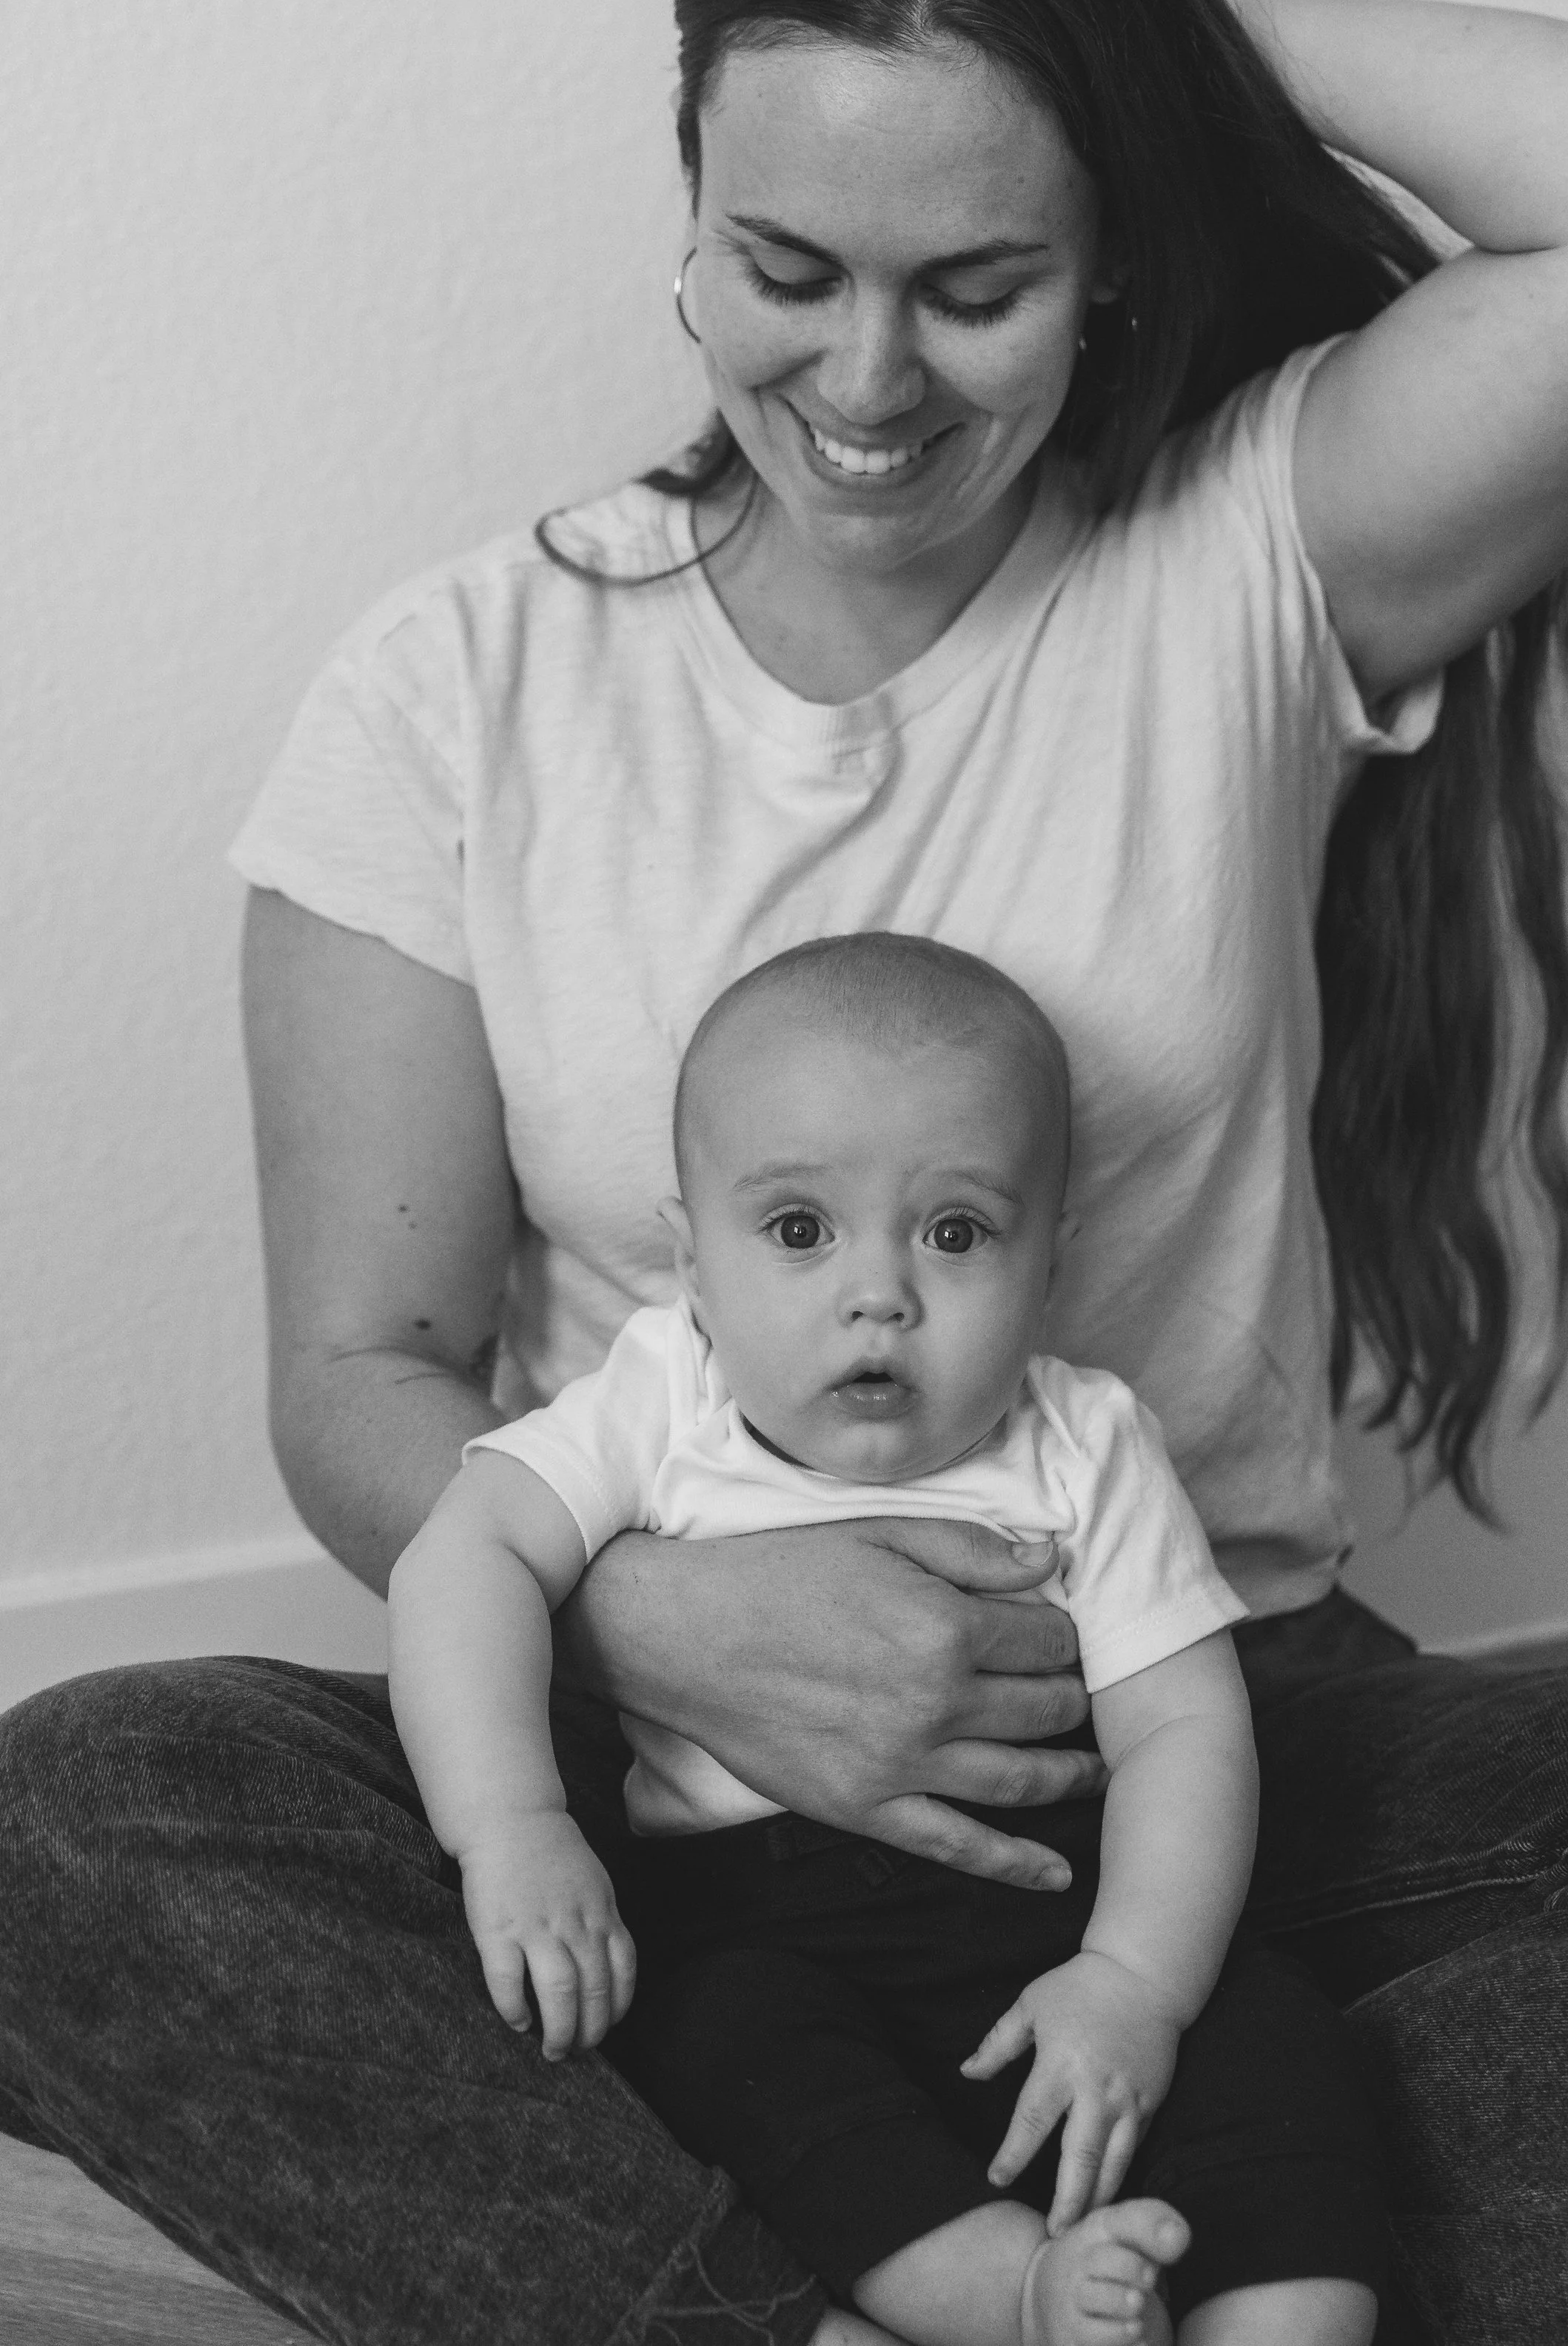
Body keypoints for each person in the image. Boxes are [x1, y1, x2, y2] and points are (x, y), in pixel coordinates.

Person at [0, 0, 1568, 2346]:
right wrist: (662, 1626)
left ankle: (1032, 2241)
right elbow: (363, 1377)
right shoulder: (465, 686)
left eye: (974, 277)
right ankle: (899, 2298)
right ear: (689, 221)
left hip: (1195, 1741)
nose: (863, 376)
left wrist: (1119, 28)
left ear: (1106, 260)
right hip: (663, 1774)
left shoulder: (1247, 550)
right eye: (783, 265)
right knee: (79, 1813)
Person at [389, 929, 1391, 2346]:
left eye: (958, 1231)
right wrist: (511, 1826)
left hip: (1058, 1905)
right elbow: (466, 1553)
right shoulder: (661, 1398)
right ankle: (1008, 2298)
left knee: (1273, 2037)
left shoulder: (1085, 1444)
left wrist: (1130, 1982)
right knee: (722, 2053)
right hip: (755, 1922)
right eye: (799, 1231)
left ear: (1053, 1262)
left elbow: (1182, 1729)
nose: (882, 1292)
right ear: (692, 1259)